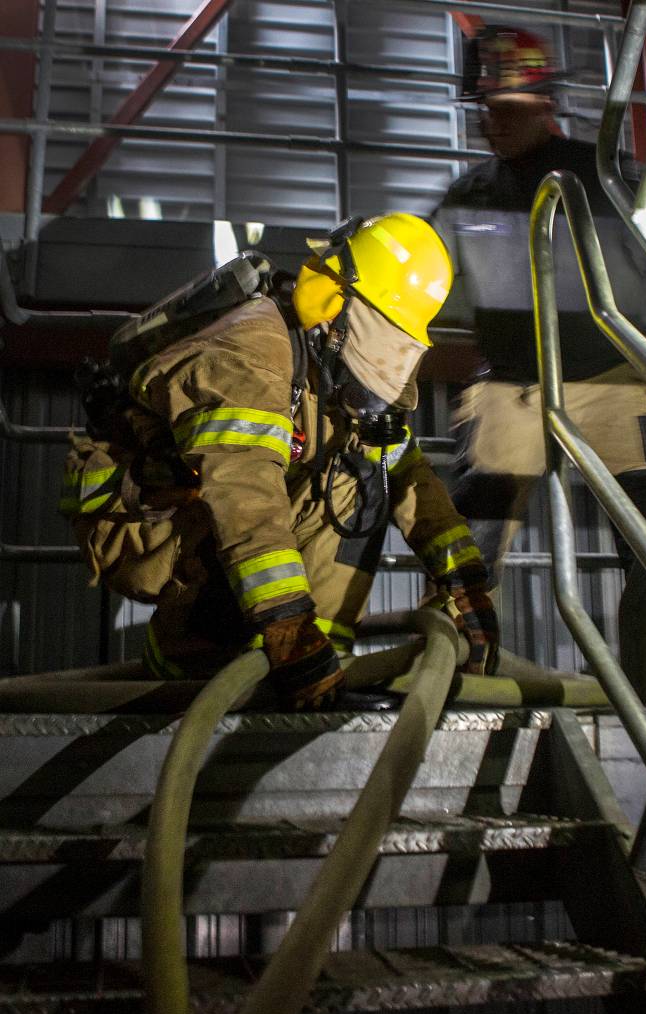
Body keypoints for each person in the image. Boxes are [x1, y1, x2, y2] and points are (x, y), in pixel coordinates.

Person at [60, 213, 499, 709]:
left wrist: (466, 584)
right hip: (141, 518)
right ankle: (195, 658)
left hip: (208, 505)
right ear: (337, 304)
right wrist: (286, 623)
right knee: (245, 506)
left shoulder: (321, 353)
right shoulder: (253, 352)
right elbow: (244, 494)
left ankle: (319, 659)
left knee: (363, 473)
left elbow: (405, 470)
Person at [431, 25, 646, 583]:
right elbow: (429, 286)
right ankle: (459, 653)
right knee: (469, 548)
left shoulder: (609, 180)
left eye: (508, 108)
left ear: (546, 103)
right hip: (509, 387)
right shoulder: (466, 197)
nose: (493, 121)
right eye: (486, 108)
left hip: (613, 380)